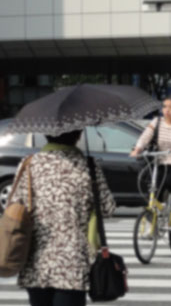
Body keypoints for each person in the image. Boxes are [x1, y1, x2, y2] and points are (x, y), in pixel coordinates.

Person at [9, 130, 116, 306]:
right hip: (71, 263)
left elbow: (14, 207)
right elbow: (107, 207)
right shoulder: (88, 165)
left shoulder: (29, 164)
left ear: (46, 135)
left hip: (36, 260)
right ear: (78, 135)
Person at [131, 96, 171, 219]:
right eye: (164, 107)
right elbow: (145, 137)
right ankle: (154, 220)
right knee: (155, 188)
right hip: (162, 160)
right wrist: (138, 149)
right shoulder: (156, 122)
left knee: (170, 181)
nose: (167, 110)